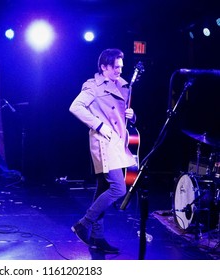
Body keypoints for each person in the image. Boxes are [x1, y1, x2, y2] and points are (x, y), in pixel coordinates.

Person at [69, 48, 137, 254]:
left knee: (102, 189)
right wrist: (99, 126)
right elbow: (76, 107)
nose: (119, 70)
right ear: (103, 67)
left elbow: (123, 117)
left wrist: (132, 116)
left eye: (121, 67)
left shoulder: (123, 86)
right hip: (104, 142)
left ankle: (97, 238)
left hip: (117, 142)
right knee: (118, 188)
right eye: (115, 67)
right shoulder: (94, 86)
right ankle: (83, 224)